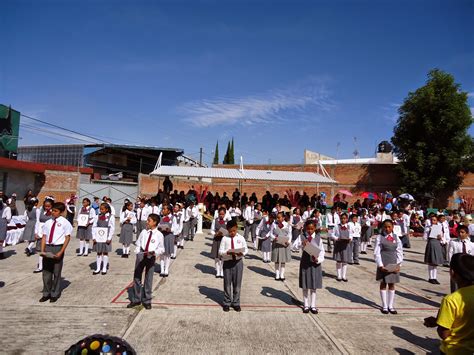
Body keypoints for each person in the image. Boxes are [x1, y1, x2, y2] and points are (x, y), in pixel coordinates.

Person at [423, 254, 474, 355]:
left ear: (452, 273)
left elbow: (444, 333)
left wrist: (440, 324)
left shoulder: (451, 300)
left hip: (454, 350)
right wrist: (439, 321)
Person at [127, 213, 164, 310]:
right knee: (137, 277)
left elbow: (161, 248)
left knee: (148, 278)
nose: (147, 222)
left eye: (149, 221)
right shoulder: (144, 232)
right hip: (141, 256)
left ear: (155, 222)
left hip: (150, 257)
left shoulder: (159, 235)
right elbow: (138, 243)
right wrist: (138, 251)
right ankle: (136, 299)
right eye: (147, 220)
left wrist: (154, 252)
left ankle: (147, 300)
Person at [39, 202, 73, 303]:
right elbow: (44, 236)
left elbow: (67, 237)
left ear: (61, 212)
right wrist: (42, 250)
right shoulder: (48, 222)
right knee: (46, 272)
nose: (53, 212)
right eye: (52, 210)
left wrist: (61, 251)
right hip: (48, 247)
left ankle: (55, 293)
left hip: (58, 247)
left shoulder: (65, 222)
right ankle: (46, 293)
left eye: (55, 211)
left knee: (56, 272)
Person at [292, 219, 325, 314]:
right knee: (305, 285)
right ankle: (306, 305)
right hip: (305, 262)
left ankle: (313, 305)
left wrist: (318, 260)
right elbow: (293, 247)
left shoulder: (319, 239)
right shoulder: (302, 237)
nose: (310, 231)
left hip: (315, 264)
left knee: (313, 286)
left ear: (315, 228)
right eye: (308, 229)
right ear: (305, 228)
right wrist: (301, 244)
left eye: (312, 229)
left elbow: (322, 252)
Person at [218, 219, 248, 312]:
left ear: (237, 228)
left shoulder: (241, 238)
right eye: (230, 231)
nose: (232, 233)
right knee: (227, 284)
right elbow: (220, 251)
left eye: (234, 231)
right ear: (227, 230)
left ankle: (236, 303)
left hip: (238, 263)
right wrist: (227, 253)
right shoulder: (224, 238)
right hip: (227, 262)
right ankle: (227, 302)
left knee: (237, 284)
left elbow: (246, 249)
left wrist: (242, 253)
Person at [374, 219, 403, 314]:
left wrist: (399, 264)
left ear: (392, 227)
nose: (387, 229)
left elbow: (400, 251)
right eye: (385, 227)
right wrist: (380, 265)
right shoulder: (379, 237)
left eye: (389, 227)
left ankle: (391, 305)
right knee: (383, 283)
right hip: (384, 261)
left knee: (392, 284)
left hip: (393, 262)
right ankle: (384, 305)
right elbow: (377, 252)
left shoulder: (396, 237)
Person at [92, 203, 115, 275]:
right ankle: (98, 268)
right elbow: (94, 227)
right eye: (100, 209)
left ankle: (104, 268)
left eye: (102, 209)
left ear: (107, 209)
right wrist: (94, 237)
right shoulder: (97, 216)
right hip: (98, 237)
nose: (101, 210)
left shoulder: (111, 217)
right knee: (99, 252)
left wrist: (109, 238)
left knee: (105, 252)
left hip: (106, 237)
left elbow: (112, 228)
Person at [448, 225, 473, 292]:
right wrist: (451, 267)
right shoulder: (453, 243)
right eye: (459, 232)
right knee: (455, 285)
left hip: (467, 267)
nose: (460, 234)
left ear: (467, 233)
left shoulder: (471, 244)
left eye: (462, 232)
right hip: (457, 266)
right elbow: (450, 255)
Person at [33, 198, 54, 273]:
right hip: (41, 232)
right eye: (46, 206)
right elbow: (37, 221)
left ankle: (48, 266)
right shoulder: (40, 211)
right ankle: (40, 266)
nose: (47, 208)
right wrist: (36, 232)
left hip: (49, 233)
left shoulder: (54, 213)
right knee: (41, 250)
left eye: (49, 206)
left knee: (49, 250)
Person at [331, 213, 352, 282]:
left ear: (347, 219)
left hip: (346, 245)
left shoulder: (349, 227)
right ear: (340, 219)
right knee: (339, 260)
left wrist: (350, 239)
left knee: (345, 261)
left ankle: (344, 276)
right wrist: (337, 238)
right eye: (342, 218)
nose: (343, 220)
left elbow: (351, 234)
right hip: (339, 244)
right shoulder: (336, 226)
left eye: (345, 218)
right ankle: (339, 275)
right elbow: (332, 234)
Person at [271, 212, 292, 281]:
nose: (277, 219)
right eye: (277, 217)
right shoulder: (274, 224)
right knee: (276, 259)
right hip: (276, 244)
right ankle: (277, 274)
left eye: (279, 217)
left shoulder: (288, 225)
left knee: (283, 260)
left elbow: (290, 234)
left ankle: (282, 274)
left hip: (284, 244)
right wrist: (274, 237)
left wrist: (288, 242)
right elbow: (271, 233)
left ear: (283, 218)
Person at [424, 214, 444, 284]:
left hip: (437, 243)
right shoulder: (428, 227)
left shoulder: (439, 227)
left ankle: (434, 277)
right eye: (432, 220)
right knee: (431, 261)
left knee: (435, 262)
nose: (433, 221)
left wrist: (440, 238)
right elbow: (424, 237)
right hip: (431, 243)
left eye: (434, 220)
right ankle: (430, 277)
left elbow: (442, 236)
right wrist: (429, 234)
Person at [211, 207, 227, 278]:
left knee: (223, 256)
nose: (221, 215)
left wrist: (225, 233)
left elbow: (229, 231)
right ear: (218, 214)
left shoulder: (227, 221)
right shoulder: (215, 221)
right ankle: (217, 271)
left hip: (224, 240)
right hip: (217, 239)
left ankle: (222, 271)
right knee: (217, 257)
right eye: (220, 214)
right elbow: (211, 230)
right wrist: (215, 233)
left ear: (225, 214)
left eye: (223, 214)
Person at [158, 205, 173, 277]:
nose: (163, 210)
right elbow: (158, 225)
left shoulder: (172, 218)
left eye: (164, 209)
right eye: (162, 209)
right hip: (162, 236)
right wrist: (159, 228)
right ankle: (162, 269)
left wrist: (170, 230)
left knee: (167, 254)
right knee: (162, 253)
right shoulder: (161, 218)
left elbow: (176, 227)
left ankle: (166, 269)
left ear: (169, 211)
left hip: (169, 236)